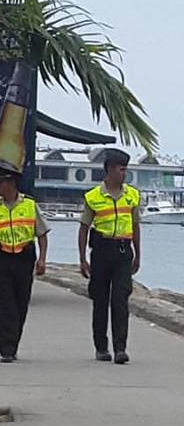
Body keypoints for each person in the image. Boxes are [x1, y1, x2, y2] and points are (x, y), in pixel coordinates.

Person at [0, 165, 49, 363]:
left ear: (11, 183)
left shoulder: (30, 206)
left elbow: (42, 234)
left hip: (24, 259)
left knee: (21, 303)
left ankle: (13, 343)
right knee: (4, 305)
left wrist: (42, 259)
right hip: (1, 258)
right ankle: (6, 349)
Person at [78, 147, 141, 364]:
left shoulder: (132, 195)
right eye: (122, 169)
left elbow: (135, 226)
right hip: (102, 251)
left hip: (124, 251)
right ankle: (101, 347)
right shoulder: (93, 197)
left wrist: (138, 255)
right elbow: (84, 228)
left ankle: (120, 348)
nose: (125, 173)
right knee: (101, 300)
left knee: (120, 300)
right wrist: (82, 259)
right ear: (110, 170)